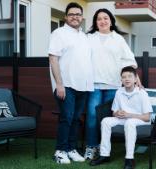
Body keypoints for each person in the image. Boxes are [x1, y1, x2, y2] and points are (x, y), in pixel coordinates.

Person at [84, 8, 141, 160]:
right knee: (91, 116)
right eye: (99, 19)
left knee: (111, 118)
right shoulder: (88, 38)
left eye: (105, 18)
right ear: (95, 22)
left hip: (113, 85)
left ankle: (106, 149)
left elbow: (129, 61)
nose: (102, 21)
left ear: (111, 21)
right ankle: (91, 147)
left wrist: (137, 78)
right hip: (93, 84)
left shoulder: (118, 39)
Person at [48, 2, 94, 164]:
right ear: (66, 17)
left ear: (82, 17)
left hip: (83, 85)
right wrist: (59, 84)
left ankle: (71, 149)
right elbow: (53, 58)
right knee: (66, 118)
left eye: (78, 14)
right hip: (66, 85)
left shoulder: (84, 36)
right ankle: (60, 151)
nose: (75, 17)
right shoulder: (59, 33)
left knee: (75, 119)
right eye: (72, 14)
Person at [90, 66, 153, 169]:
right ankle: (104, 155)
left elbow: (147, 117)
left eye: (129, 76)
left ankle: (129, 159)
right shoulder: (119, 92)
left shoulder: (142, 93)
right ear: (121, 80)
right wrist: (117, 113)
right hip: (124, 119)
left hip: (140, 120)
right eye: (124, 77)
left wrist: (129, 115)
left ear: (135, 78)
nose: (127, 79)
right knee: (105, 121)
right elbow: (114, 112)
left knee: (130, 122)